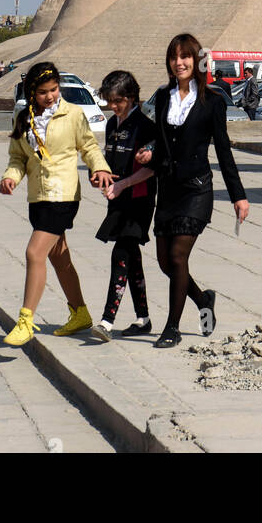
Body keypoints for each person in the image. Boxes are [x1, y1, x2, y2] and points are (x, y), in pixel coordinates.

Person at [136, 33, 249, 348]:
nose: (179, 63)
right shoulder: (161, 98)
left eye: (185, 56)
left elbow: (224, 151)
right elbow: (158, 145)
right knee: (164, 263)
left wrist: (238, 195)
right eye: (174, 57)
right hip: (168, 191)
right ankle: (203, 299)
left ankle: (171, 328)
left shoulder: (212, 101)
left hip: (197, 191)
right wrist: (148, 153)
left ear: (197, 61)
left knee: (177, 255)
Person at [0, 60, 112, 346]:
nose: (50, 96)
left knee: (34, 253)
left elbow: (88, 146)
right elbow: (18, 158)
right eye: (43, 92)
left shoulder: (72, 114)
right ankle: (80, 314)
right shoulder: (23, 119)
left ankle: (26, 320)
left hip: (62, 195)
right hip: (38, 197)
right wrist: (11, 177)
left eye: (53, 89)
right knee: (59, 258)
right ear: (32, 93)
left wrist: (100, 169)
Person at [92, 70, 157, 341]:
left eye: (117, 101)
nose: (113, 106)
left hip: (139, 199)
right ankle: (143, 318)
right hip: (117, 200)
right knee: (132, 259)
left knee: (120, 254)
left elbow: (153, 169)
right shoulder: (111, 125)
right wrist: (99, 176)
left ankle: (107, 320)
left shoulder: (146, 126)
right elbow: (108, 162)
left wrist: (123, 184)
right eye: (109, 101)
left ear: (131, 98)